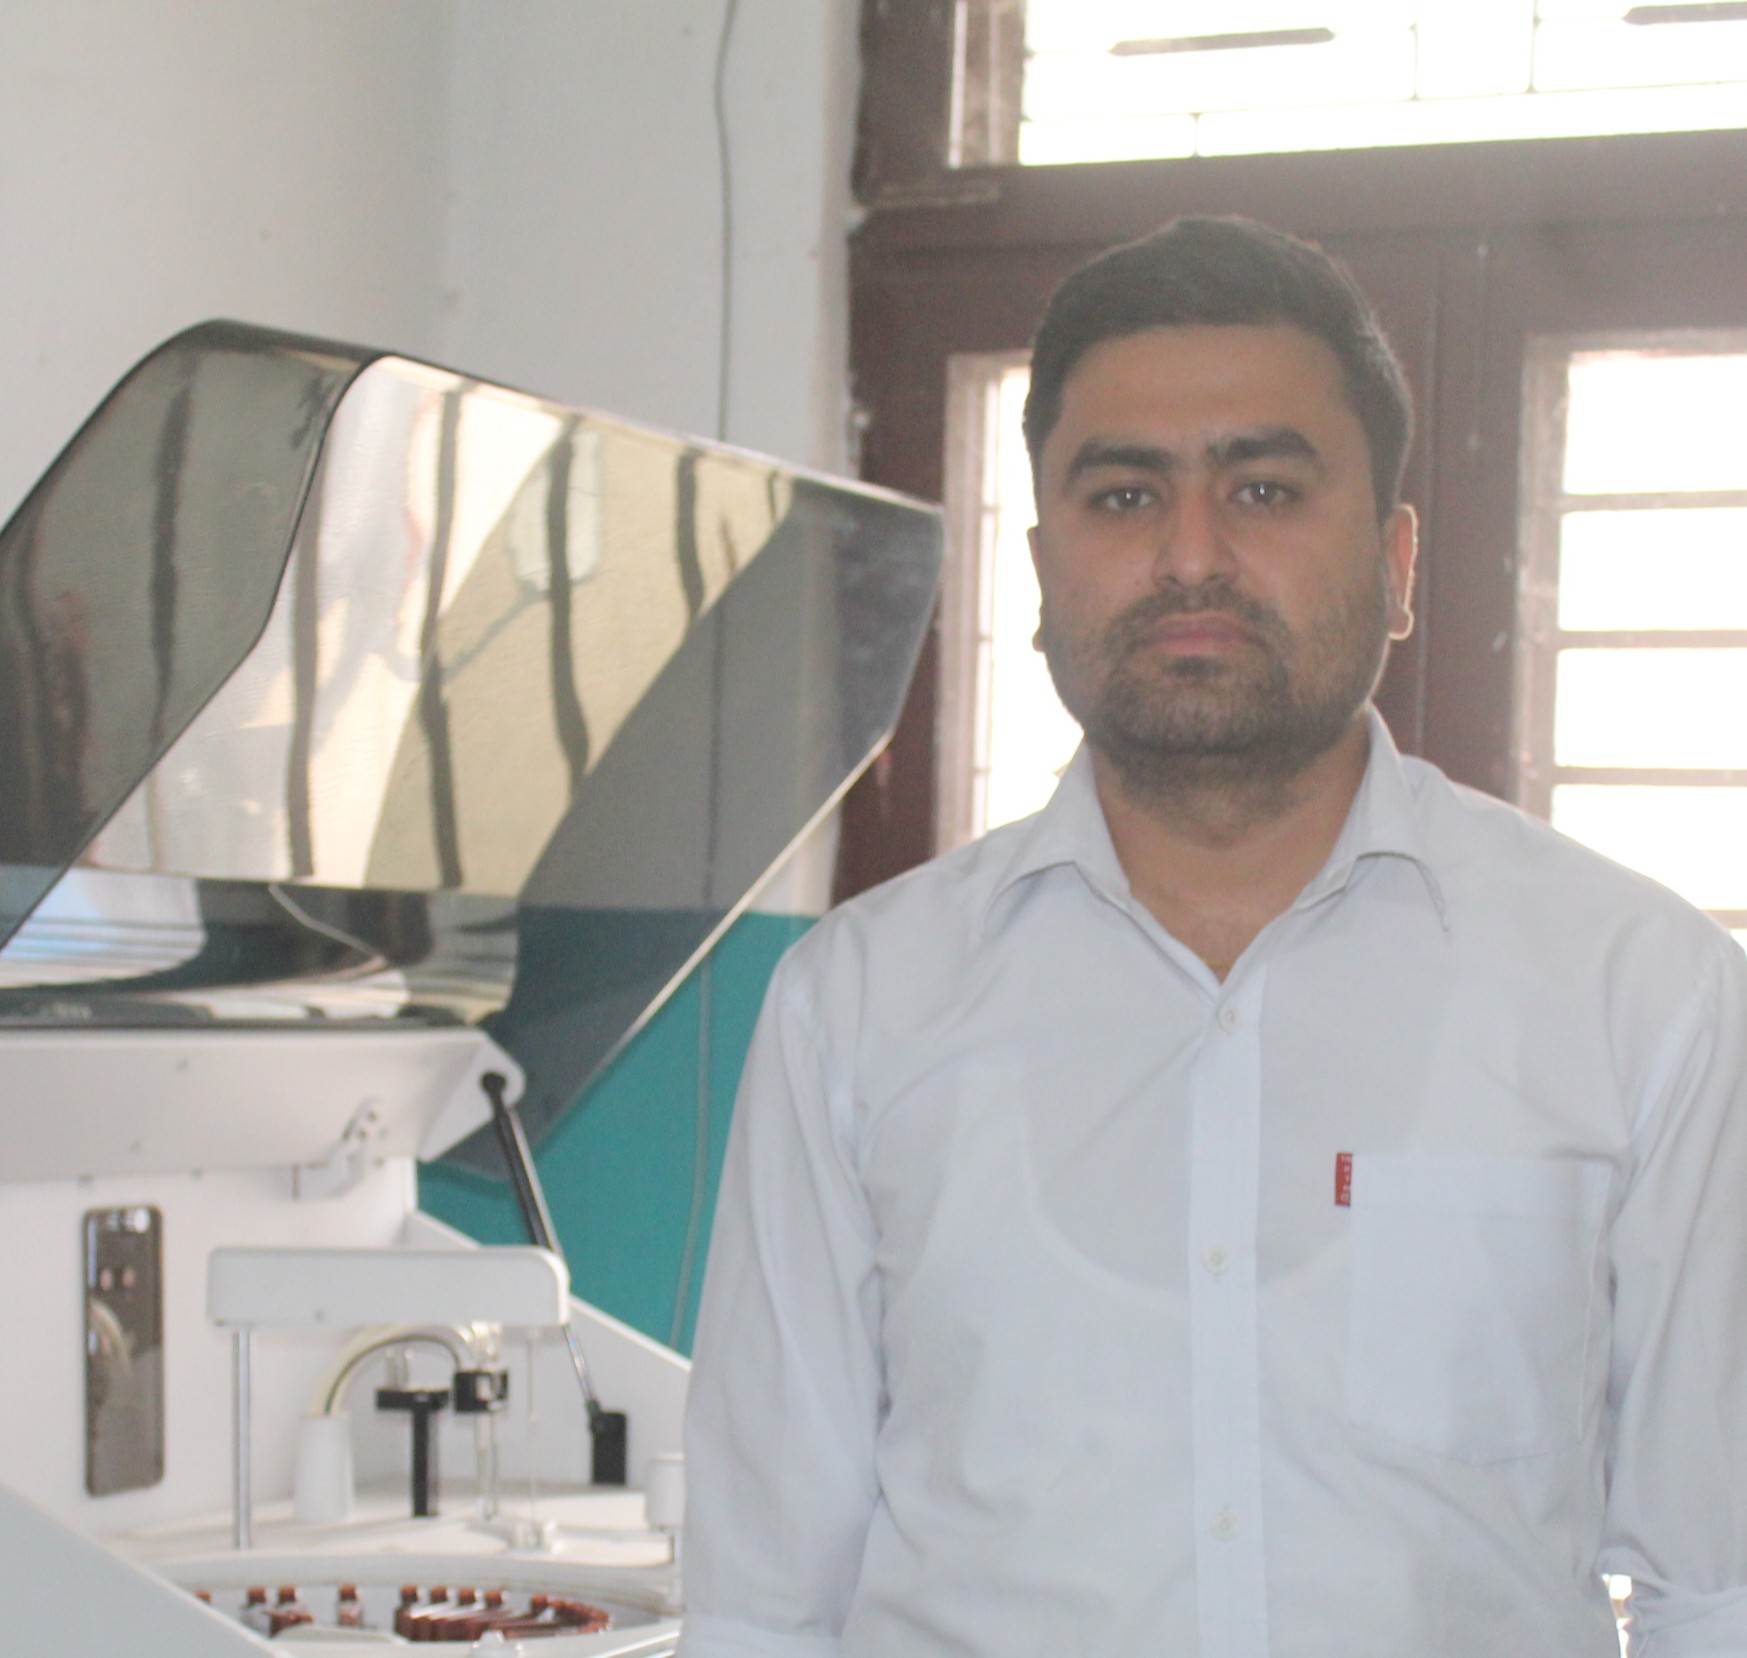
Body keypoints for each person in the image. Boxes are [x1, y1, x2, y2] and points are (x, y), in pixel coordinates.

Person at [674, 217, 1747, 1657]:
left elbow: (1719, 1591)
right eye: (1125, 495)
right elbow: (763, 1607)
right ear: (1042, 565)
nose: (1192, 555)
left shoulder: (1641, 995)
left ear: (1399, 560)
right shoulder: (858, 1010)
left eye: (1263, 487)